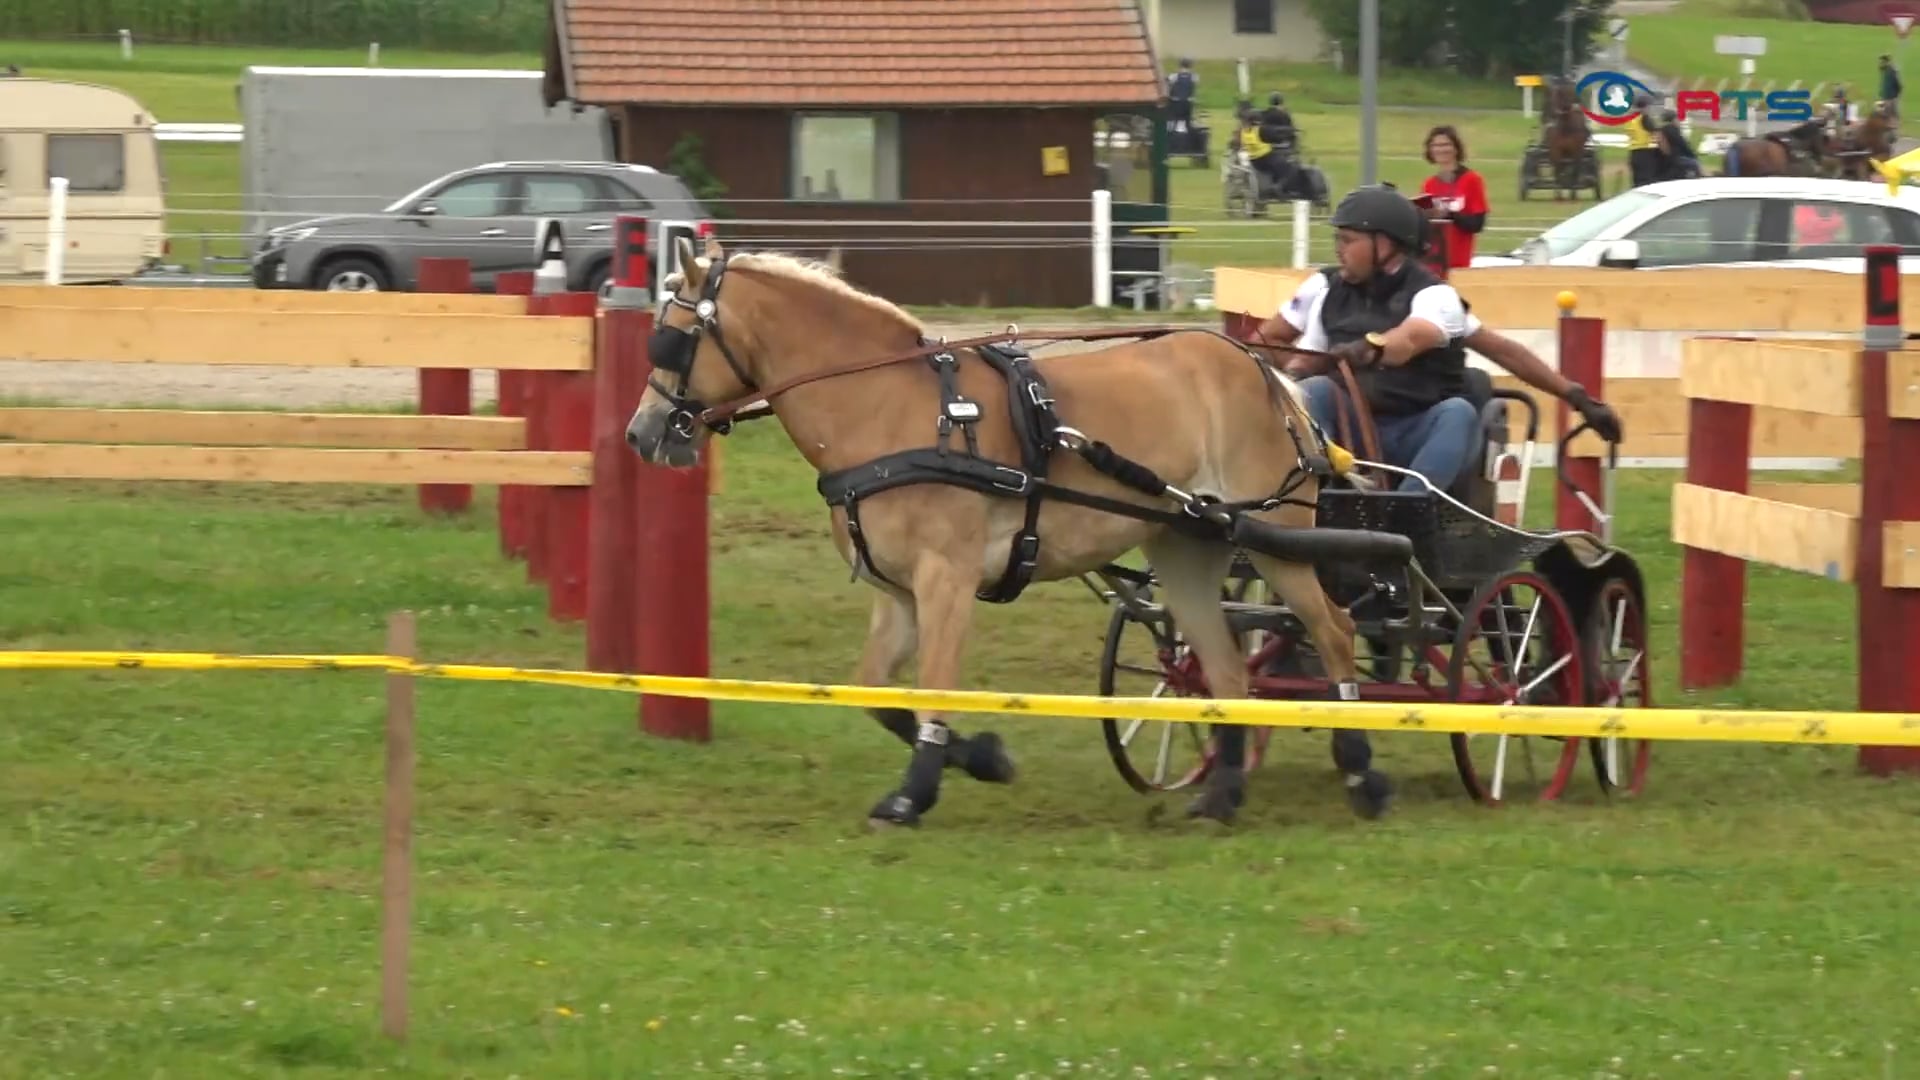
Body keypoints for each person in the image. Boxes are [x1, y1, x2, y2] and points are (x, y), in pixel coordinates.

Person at [1250, 185, 1622, 494]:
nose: (1338, 248)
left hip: (1415, 432)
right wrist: (1295, 366)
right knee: (1314, 390)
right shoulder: (1324, 287)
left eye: (1348, 239)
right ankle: (1314, 500)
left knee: (1458, 413)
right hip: (1349, 434)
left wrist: (1577, 397)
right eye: (1338, 239)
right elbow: (1272, 344)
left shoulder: (1435, 296)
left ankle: (1406, 518)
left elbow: (1414, 339)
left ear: (1386, 245)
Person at [1417, 125, 1488, 270]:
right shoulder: (1428, 185)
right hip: (1433, 262)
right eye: (1435, 145)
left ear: (1456, 148)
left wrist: (1449, 214)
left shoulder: (1472, 180)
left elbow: (1477, 224)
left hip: (1459, 263)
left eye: (1446, 144)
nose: (1440, 149)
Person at [1879, 54, 1902, 122]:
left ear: (1886, 62)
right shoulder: (1886, 70)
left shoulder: (1891, 71)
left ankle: (1894, 127)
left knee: (1891, 113)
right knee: (1889, 113)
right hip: (1887, 96)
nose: (1880, 63)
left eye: (1881, 62)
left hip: (1890, 97)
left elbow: (1897, 83)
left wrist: (1896, 94)